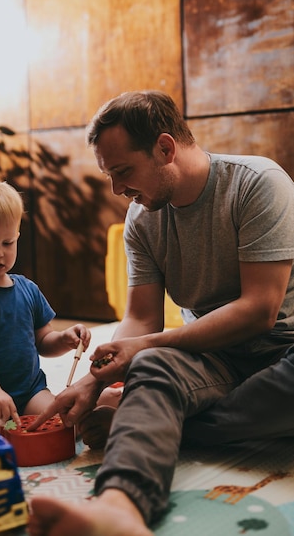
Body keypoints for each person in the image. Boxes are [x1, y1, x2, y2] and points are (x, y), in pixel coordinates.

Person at [26, 90, 294, 536]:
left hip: (285, 350)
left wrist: (142, 351)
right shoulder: (142, 218)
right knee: (153, 365)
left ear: (165, 148)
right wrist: (95, 380)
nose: (117, 190)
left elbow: (259, 310)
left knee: (150, 359)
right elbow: (141, 321)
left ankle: (152, 424)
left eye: (123, 171)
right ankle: (120, 506)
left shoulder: (258, 183)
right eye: (109, 176)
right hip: (213, 354)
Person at [0, 174, 91, 433]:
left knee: (66, 423)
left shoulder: (28, 289)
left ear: (17, 237)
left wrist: (65, 339)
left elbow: (43, 341)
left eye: (8, 242)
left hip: (30, 391)